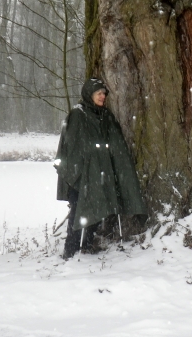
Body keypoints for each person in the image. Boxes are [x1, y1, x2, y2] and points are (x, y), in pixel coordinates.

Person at [55, 78, 147, 260]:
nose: (102, 97)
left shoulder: (105, 116)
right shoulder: (78, 115)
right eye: (99, 94)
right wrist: (79, 171)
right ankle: (70, 251)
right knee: (77, 211)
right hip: (81, 173)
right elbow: (71, 146)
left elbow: (114, 141)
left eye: (104, 94)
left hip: (100, 174)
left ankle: (87, 244)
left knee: (97, 207)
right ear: (90, 95)